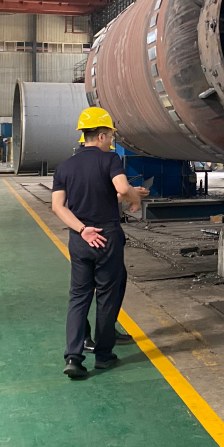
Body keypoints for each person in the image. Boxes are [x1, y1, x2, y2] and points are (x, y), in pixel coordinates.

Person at [52, 107, 148, 379]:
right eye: (110, 136)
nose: (111, 141)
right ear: (102, 135)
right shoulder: (110, 159)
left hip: (80, 238)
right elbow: (121, 188)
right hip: (106, 237)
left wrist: (82, 229)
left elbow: (58, 206)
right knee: (106, 296)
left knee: (78, 297)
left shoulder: (65, 166)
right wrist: (134, 198)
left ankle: (73, 357)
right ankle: (104, 357)